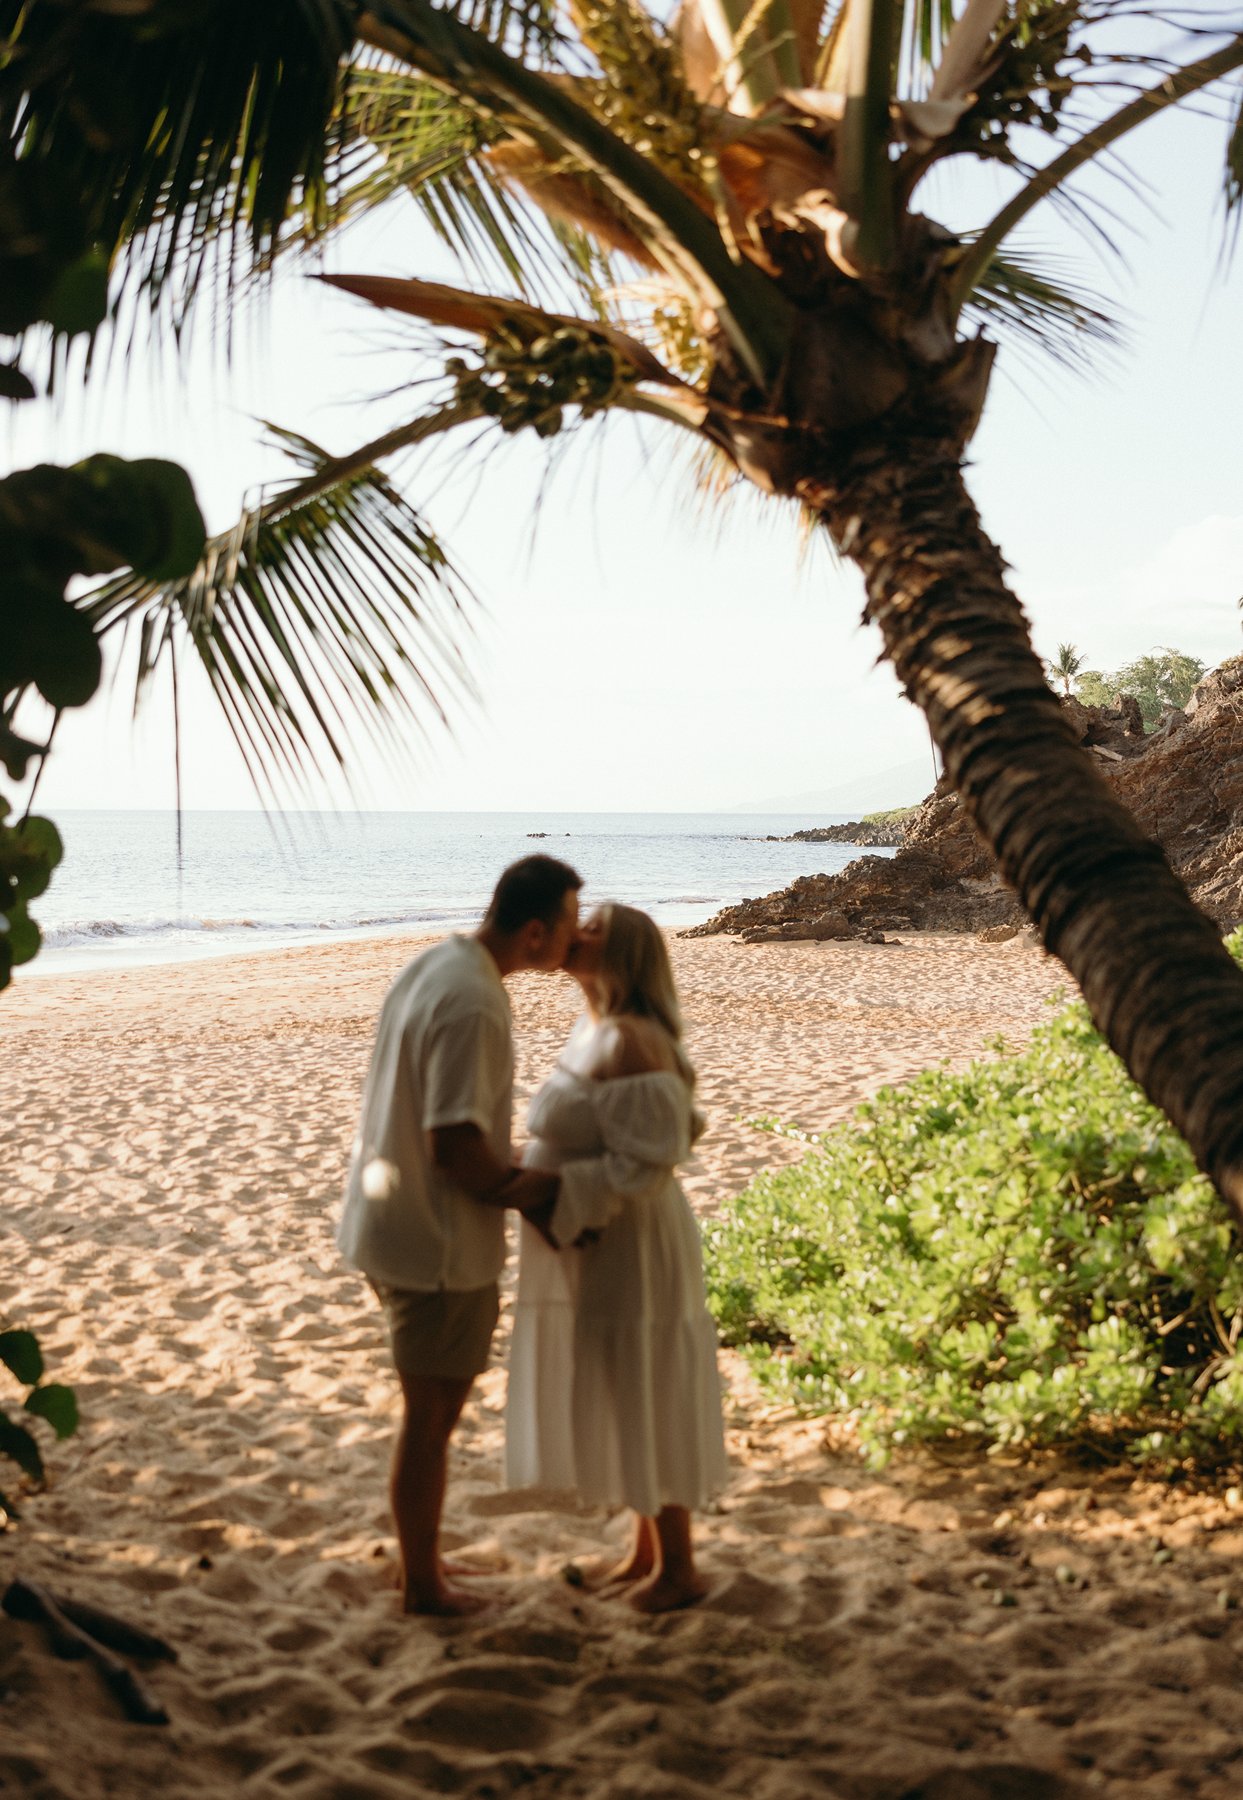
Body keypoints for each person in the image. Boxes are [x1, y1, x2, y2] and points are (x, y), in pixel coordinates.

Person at [338, 855, 581, 1616]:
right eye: (569, 926)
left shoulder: (434, 963)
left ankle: (421, 1565)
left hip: (385, 1223)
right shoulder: (476, 1002)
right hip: (434, 1246)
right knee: (431, 1420)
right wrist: (539, 1194)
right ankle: (422, 1586)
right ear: (536, 932)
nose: (574, 942)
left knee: (429, 1417)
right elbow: (453, 1147)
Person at [506, 903, 728, 1613]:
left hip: (630, 1236)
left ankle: (680, 1569)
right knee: (617, 1380)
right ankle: (643, 1550)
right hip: (602, 1239)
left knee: (645, 1382)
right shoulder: (595, 1029)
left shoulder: (634, 1039)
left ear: (624, 953)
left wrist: (549, 1191)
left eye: (594, 925)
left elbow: (651, 1161)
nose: (575, 929)